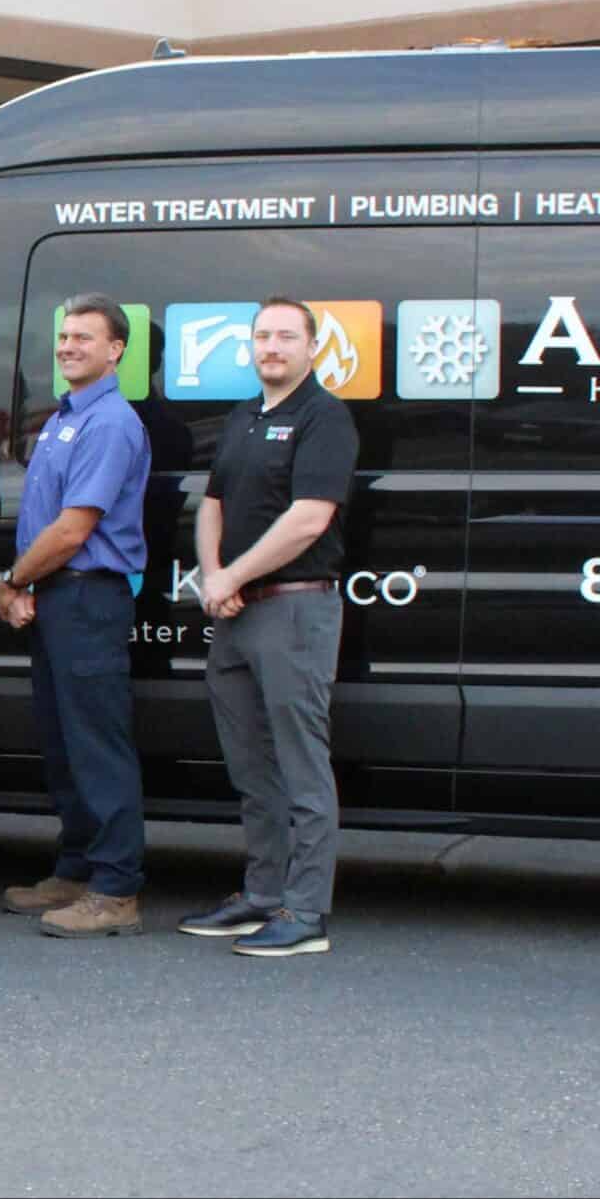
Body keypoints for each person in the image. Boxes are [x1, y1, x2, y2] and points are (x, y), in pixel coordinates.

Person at [180, 296, 356, 958]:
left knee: (301, 766)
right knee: (251, 766)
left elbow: (309, 519)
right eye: (262, 336)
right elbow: (212, 504)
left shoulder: (324, 417)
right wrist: (214, 576)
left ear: (312, 347)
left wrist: (232, 575)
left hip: (294, 608)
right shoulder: (244, 416)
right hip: (236, 612)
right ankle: (262, 894)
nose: (272, 347)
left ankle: (305, 912)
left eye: (286, 336)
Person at [0, 294, 153, 939]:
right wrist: (29, 585)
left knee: (96, 746)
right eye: (64, 336)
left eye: (84, 337)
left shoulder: (109, 422)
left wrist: (12, 581)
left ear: (116, 350)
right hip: (57, 596)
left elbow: (73, 528)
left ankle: (116, 889)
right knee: (64, 744)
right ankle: (78, 868)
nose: (68, 347)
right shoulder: (65, 417)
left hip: (88, 598)